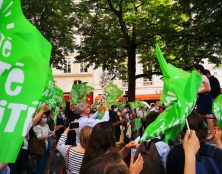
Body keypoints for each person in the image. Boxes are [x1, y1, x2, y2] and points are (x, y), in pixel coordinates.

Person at [194, 65, 214, 140]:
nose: (193, 72)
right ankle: (205, 132)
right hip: (202, 97)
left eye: (194, 70)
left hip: (205, 97)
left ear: (199, 70)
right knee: (201, 115)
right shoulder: (200, 78)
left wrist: (197, 91)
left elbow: (208, 89)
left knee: (207, 115)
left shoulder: (203, 77)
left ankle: (212, 133)